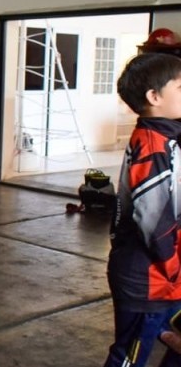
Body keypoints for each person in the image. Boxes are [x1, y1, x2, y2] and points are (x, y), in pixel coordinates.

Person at [103, 52, 181, 367]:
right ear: (154, 96)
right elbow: (155, 222)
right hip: (149, 279)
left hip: (165, 277)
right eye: (180, 88)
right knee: (129, 357)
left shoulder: (167, 137)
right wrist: (174, 269)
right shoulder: (153, 145)